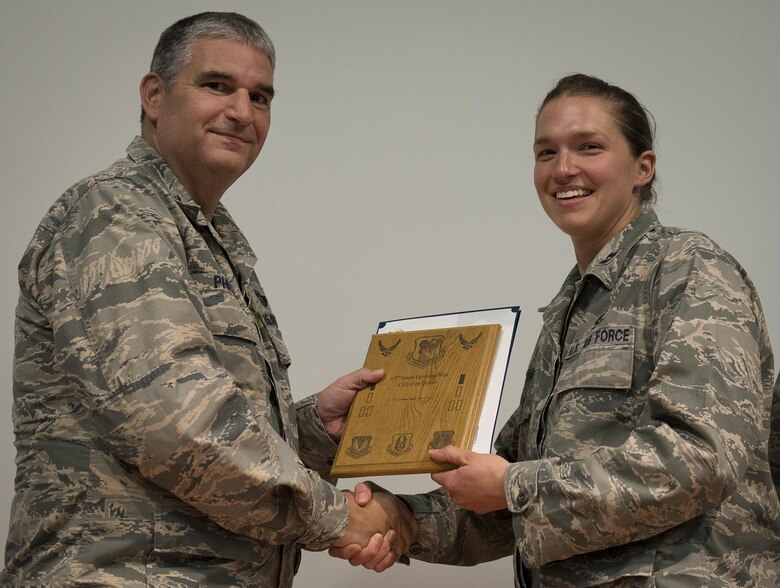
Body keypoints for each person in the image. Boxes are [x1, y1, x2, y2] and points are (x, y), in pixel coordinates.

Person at [2, 11, 414, 586]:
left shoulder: (209, 239)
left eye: (260, 97)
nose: (242, 112)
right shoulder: (115, 216)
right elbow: (174, 423)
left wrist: (314, 427)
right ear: (154, 95)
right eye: (217, 85)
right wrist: (337, 516)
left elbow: (205, 418)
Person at [335, 74, 780, 586]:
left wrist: (514, 487)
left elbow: (702, 458)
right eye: (546, 152)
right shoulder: (572, 309)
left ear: (643, 167)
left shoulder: (690, 270)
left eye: (588, 147)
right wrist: (398, 519)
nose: (563, 168)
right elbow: (507, 496)